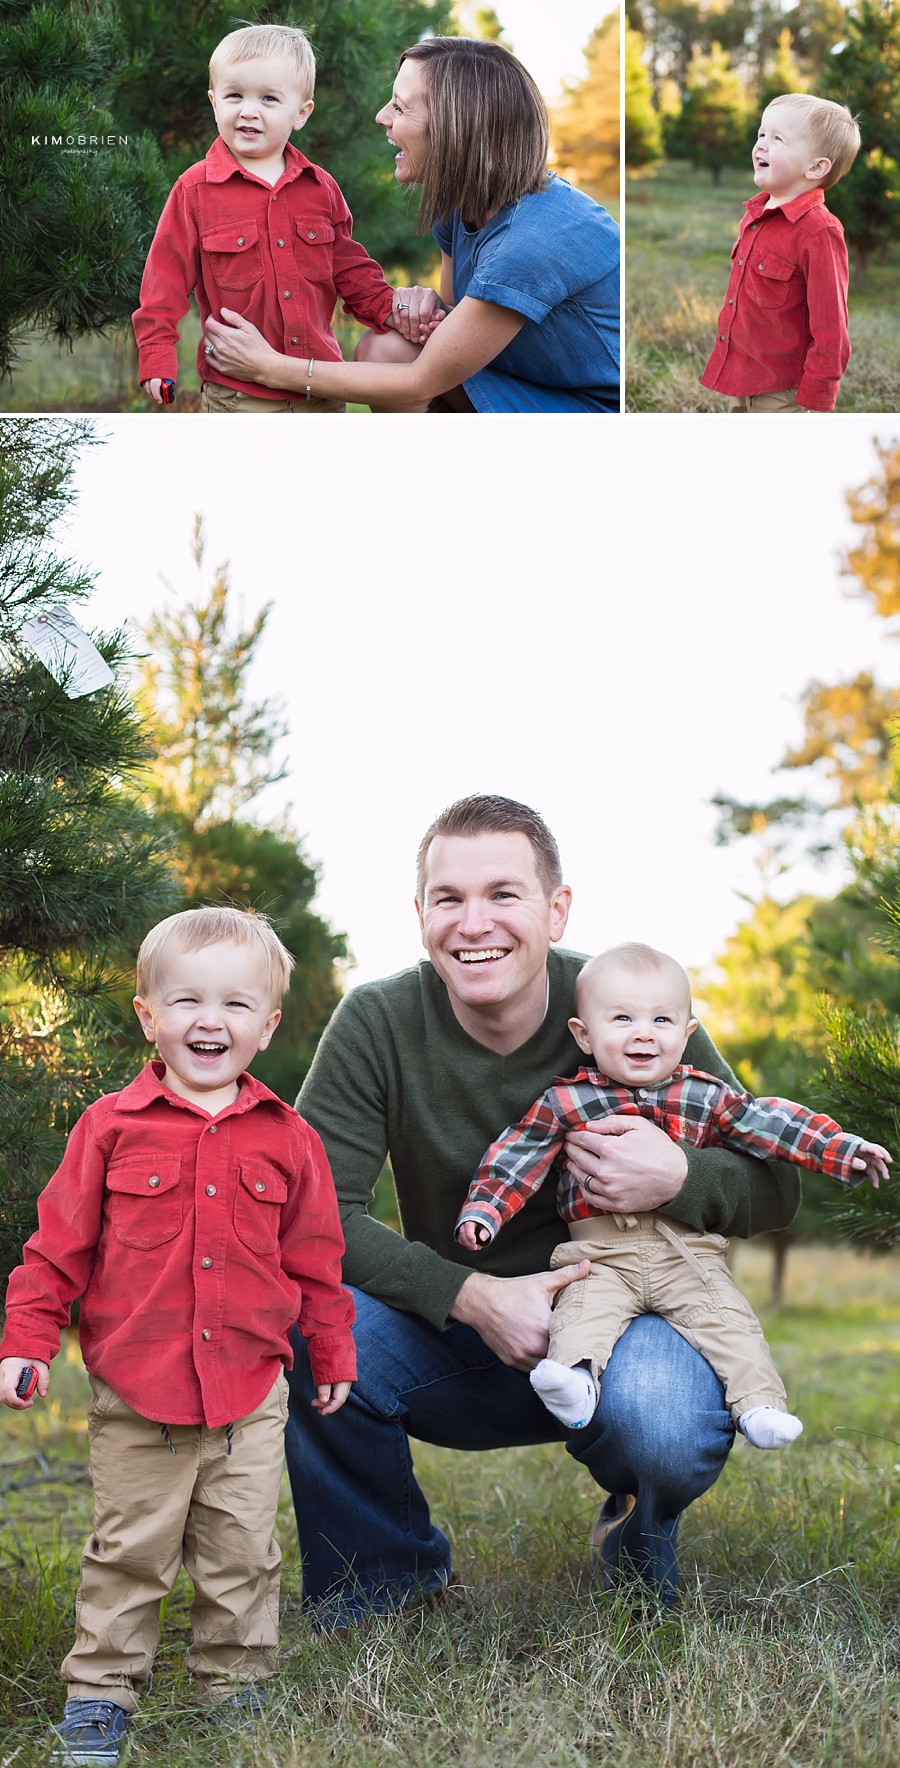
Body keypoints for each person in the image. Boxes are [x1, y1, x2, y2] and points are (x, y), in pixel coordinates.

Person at [284, 795, 802, 1629]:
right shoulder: (378, 1021)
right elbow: (312, 1215)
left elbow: (777, 1186)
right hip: (462, 1336)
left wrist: (678, 1174)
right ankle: (381, 1579)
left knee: (668, 1430)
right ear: (419, 915)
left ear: (556, 909)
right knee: (308, 1320)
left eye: (504, 894)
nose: (473, 922)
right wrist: (469, 1296)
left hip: (632, 1318)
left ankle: (637, 1533)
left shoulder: (632, 1007)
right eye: (448, 899)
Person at [0, 906, 356, 1766]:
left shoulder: (290, 1139)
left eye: (237, 1005)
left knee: (243, 1549)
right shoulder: (108, 1128)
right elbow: (57, 1247)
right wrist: (28, 1340)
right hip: (139, 1392)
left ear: (268, 1026)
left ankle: (233, 1684)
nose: (211, 1020)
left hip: (249, 1395)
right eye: (187, 1000)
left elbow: (316, 1260)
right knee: (130, 1549)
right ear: (147, 1015)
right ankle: (101, 1693)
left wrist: (334, 1353)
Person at [456, 942, 889, 1447]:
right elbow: (517, 1155)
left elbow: (769, 1122)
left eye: (662, 1021)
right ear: (585, 1034)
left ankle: (759, 1406)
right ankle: (574, 1382)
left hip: (686, 1254)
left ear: (686, 1035)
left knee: (728, 1320)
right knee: (581, 1311)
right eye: (622, 1018)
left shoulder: (706, 1094)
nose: (643, 1033)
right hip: (600, 1256)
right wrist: (484, 1210)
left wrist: (840, 1148)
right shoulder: (565, 1100)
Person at [203, 37, 620, 413]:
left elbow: (419, 383)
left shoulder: (534, 241)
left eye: (400, 106)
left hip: (587, 408)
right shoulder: (462, 204)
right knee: (389, 349)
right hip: (524, 380)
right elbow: (446, 333)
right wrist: (429, 310)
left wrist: (271, 368)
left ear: (456, 129)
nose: (381, 116)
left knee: (399, 369)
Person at [132, 24, 440, 413]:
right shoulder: (194, 190)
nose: (248, 110)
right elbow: (163, 282)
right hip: (239, 396)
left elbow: (351, 272)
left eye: (268, 99)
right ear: (214, 103)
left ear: (301, 113)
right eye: (233, 96)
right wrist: (157, 356)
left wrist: (395, 313)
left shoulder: (321, 189)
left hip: (320, 388)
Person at [700, 94, 861, 413]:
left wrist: (816, 397)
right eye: (761, 134)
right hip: (742, 376)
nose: (761, 145)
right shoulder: (754, 214)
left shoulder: (819, 232)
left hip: (785, 391)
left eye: (778, 139)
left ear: (816, 167)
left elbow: (831, 327)